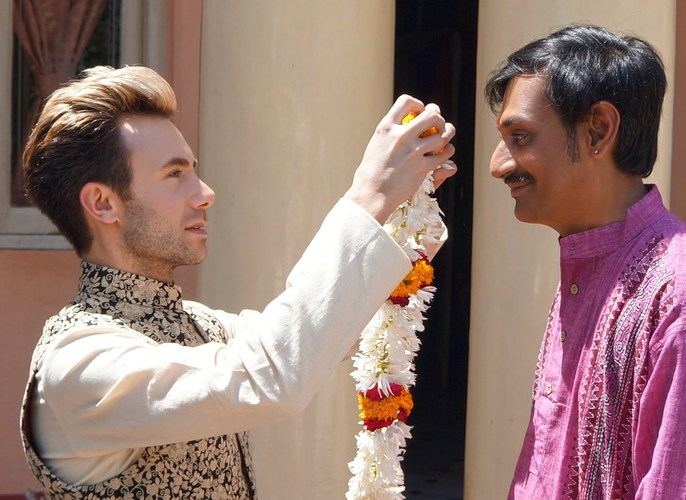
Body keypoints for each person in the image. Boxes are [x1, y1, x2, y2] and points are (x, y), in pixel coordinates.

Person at [20, 65, 456, 497]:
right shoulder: (77, 364)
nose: (205, 191)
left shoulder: (198, 323)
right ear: (102, 203)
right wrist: (368, 197)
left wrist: (402, 218)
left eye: (193, 169)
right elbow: (273, 375)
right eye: (175, 174)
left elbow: (320, 339)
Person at [484, 25, 686, 498]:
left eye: (520, 137)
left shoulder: (684, 294)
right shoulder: (590, 267)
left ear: (598, 131)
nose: (499, 165)